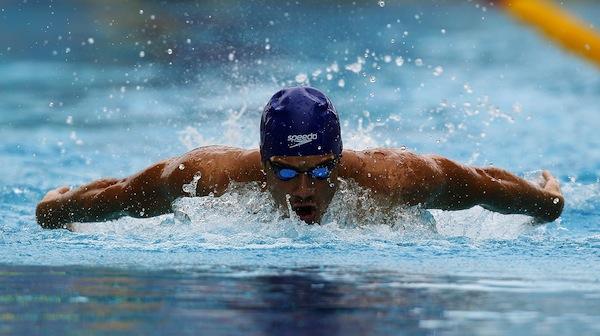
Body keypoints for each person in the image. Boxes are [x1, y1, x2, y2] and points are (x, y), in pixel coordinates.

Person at [36, 87, 564, 229]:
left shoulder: (396, 178)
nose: (304, 189)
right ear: (262, 163)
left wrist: (546, 203)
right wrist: (60, 209)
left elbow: (484, 186)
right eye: (285, 172)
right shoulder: (208, 175)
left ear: (340, 157)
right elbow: (125, 195)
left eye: (320, 171)